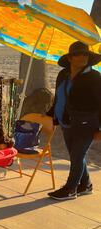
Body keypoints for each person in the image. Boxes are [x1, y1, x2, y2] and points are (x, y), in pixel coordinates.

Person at [46, 41, 101, 201]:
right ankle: (86, 185)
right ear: (70, 58)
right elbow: (59, 96)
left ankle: (71, 189)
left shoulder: (94, 77)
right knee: (75, 155)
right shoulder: (62, 74)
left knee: (77, 155)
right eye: (78, 54)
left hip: (87, 122)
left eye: (85, 54)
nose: (83, 57)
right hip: (66, 121)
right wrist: (51, 115)